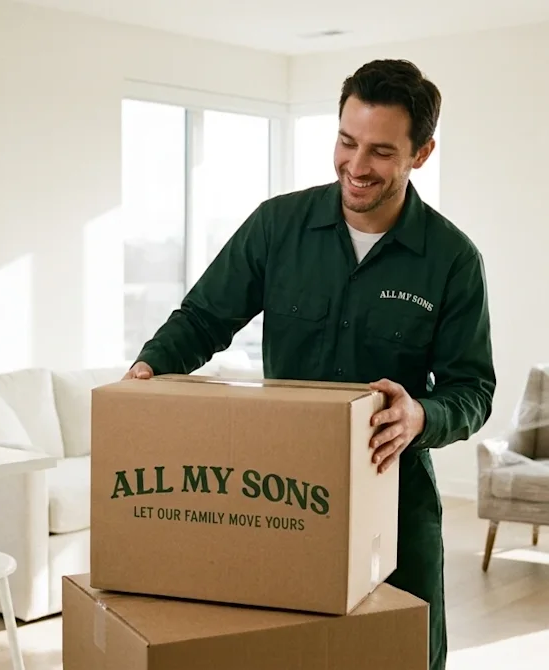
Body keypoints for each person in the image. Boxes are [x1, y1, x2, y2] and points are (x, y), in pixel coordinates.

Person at [121, 59, 494, 669]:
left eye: (380, 151)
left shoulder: (452, 259)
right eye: (346, 141)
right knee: (292, 652)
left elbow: (472, 389)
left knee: (401, 655)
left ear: (421, 153)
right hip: (282, 493)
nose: (356, 165)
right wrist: (149, 366)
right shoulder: (278, 226)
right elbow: (204, 318)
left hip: (394, 494)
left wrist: (420, 415)